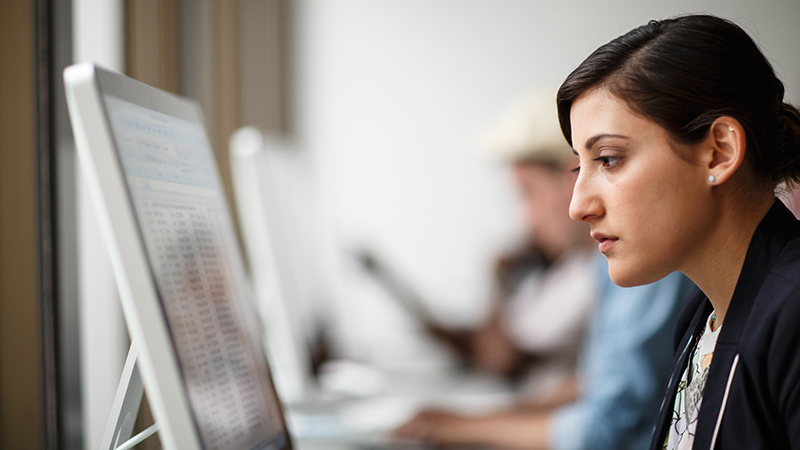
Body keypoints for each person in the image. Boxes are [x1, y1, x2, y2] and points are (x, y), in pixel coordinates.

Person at [393, 88, 693, 450]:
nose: (525, 220)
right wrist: (488, 417)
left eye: (528, 193)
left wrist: (464, 427)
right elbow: (598, 382)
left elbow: (608, 426)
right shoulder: (602, 268)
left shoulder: (646, 266)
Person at [556, 14, 800, 450]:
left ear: (718, 152)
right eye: (580, 166)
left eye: (608, 159)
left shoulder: (792, 315)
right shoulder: (701, 315)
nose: (578, 207)